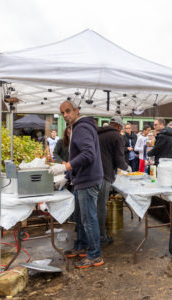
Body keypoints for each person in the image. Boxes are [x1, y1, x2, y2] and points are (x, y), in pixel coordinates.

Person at [50, 100, 104, 269]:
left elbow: (89, 154)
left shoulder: (81, 127)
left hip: (88, 181)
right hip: (82, 179)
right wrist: (68, 175)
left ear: (76, 110)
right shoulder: (77, 128)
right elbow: (81, 156)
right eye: (62, 113)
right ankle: (81, 246)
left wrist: (66, 166)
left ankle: (95, 255)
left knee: (89, 220)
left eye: (68, 111)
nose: (65, 115)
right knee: (81, 219)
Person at [97, 116, 129, 245]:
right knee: (101, 207)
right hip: (104, 174)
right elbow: (119, 159)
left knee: (94, 206)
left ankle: (93, 234)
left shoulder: (98, 133)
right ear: (119, 126)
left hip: (93, 174)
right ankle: (101, 236)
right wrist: (127, 168)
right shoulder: (116, 136)